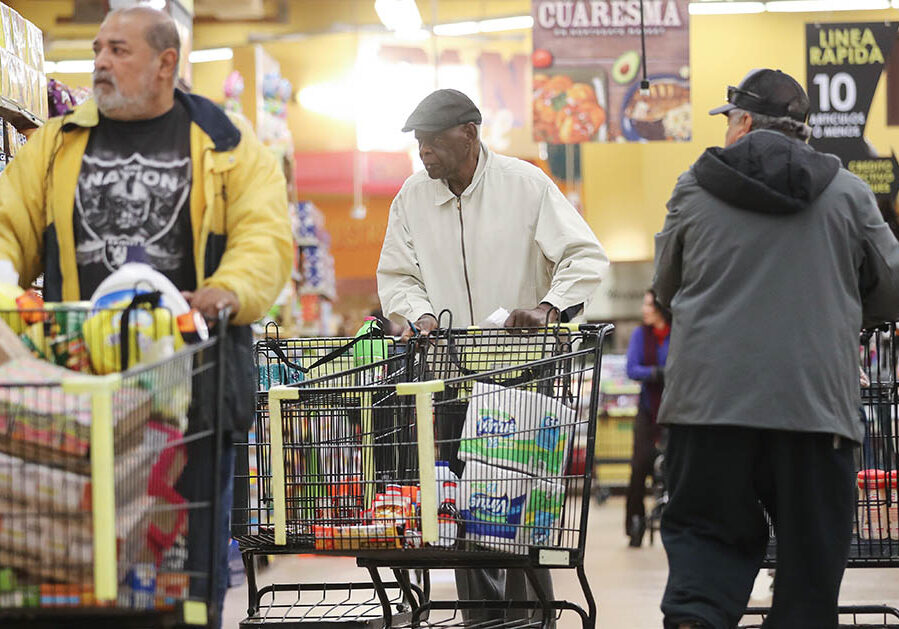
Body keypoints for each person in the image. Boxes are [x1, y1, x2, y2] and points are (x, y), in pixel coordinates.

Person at [0, 7, 292, 627]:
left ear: (167, 63)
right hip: (85, 395)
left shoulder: (229, 144)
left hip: (195, 394)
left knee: (185, 581)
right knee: (81, 567)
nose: (100, 62)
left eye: (119, 50)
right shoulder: (55, 144)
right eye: (98, 49)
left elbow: (264, 239)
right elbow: (8, 226)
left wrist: (225, 290)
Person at [653, 68, 899, 629]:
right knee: (810, 562)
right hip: (814, 410)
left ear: (741, 123)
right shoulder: (848, 191)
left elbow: (666, 286)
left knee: (706, 539)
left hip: (708, 405)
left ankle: (696, 615)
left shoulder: (693, 186)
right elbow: (892, 287)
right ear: (803, 131)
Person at [377, 89, 609, 623]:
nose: (424, 152)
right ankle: (484, 621)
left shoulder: (525, 186)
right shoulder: (412, 197)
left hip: (522, 383)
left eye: (433, 141)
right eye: (418, 143)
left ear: (470, 133)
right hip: (450, 382)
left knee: (519, 516)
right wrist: (421, 315)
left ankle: (533, 620)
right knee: (464, 519)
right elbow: (398, 276)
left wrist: (549, 306)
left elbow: (583, 256)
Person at [624, 289, 670, 548]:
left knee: (676, 468)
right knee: (639, 465)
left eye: (649, 305)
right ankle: (635, 523)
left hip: (676, 409)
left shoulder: (677, 333)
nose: (645, 309)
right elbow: (632, 369)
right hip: (647, 410)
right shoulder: (641, 335)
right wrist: (659, 372)